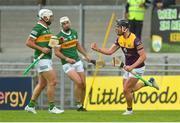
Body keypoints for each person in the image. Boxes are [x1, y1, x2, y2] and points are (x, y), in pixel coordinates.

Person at [91, 19, 159, 115]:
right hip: (127, 67)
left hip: (138, 67)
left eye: (118, 27)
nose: (116, 29)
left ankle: (129, 110)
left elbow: (143, 57)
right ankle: (148, 83)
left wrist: (132, 67)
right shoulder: (120, 39)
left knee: (126, 90)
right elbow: (110, 52)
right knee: (128, 90)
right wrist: (98, 49)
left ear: (125, 28)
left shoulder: (135, 40)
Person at [24, 9, 64, 114]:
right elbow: (28, 42)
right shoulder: (38, 28)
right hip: (41, 59)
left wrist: (58, 41)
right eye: (50, 16)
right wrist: (41, 49)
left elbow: (48, 45)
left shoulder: (47, 29)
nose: (52, 18)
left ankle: (30, 105)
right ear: (45, 17)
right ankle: (51, 107)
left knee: (42, 84)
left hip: (46, 59)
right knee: (53, 81)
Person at [54, 16, 90, 111]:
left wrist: (86, 55)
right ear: (61, 25)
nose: (66, 25)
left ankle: (82, 106)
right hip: (67, 64)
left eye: (67, 23)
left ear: (69, 23)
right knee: (78, 82)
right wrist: (67, 59)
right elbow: (56, 52)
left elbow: (77, 45)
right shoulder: (58, 37)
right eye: (64, 24)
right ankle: (78, 104)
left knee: (84, 84)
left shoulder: (74, 32)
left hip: (77, 61)